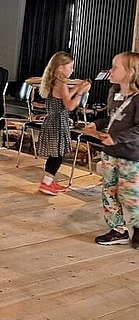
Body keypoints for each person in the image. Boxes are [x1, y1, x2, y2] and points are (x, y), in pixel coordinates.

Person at [82, 52, 139, 247]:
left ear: (131, 73)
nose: (110, 71)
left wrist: (116, 138)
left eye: (115, 67)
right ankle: (118, 230)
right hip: (110, 154)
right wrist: (97, 125)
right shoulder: (114, 93)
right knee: (109, 192)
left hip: (131, 156)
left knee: (131, 195)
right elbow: (112, 118)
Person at [37, 52, 91, 196]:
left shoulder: (55, 81)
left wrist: (77, 88)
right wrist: (80, 93)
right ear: (61, 68)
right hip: (58, 123)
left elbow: (64, 96)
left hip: (53, 121)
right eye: (71, 67)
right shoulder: (61, 83)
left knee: (56, 153)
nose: (72, 70)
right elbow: (70, 106)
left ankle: (49, 181)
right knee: (57, 154)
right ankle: (46, 183)